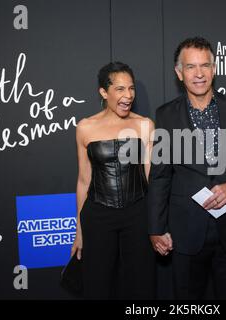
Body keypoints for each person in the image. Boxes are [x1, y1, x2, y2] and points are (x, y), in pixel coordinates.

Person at [148, 37, 226, 299]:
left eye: (205, 65)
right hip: (186, 231)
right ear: (179, 73)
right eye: (191, 67)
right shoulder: (166, 115)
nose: (199, 74)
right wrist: (156, 227)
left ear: (214, 69)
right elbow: (160, 175)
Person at [71, 61, 156, 299]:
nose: (128, 95)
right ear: (103, 92)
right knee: (98, 284)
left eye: (131, 89)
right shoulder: (85, 127)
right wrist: (79, 230)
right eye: (120, 89)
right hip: (98, 216)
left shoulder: (145, 125)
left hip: (138, 214)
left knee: (141, 284)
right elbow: (83, 181)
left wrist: (157, 223)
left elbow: (151, 179)